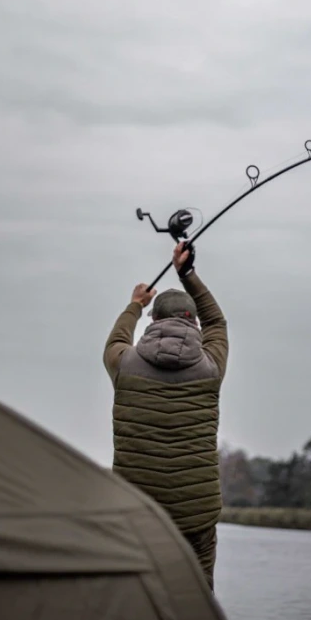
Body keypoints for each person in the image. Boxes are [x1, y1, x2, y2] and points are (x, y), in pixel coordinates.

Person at [103, 240, 228, 591]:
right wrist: (187, 274)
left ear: (154, 321)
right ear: (195, 323)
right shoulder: (211, 367)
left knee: (136, 598)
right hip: (196, 516)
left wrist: (135, 304)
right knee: (197, 599)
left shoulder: (124, 363)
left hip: (138, 513)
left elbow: (116, 339)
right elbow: (217, 321)